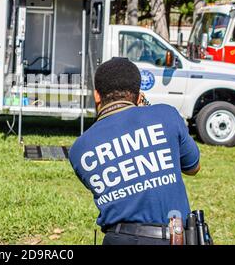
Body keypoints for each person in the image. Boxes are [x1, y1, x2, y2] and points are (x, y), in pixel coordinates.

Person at [69, 58, 200, 245]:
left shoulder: (78, 150)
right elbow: (193, 167)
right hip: (172, 238)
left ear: (97, 95)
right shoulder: (166, 115)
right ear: (139, 97)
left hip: (116, 239)